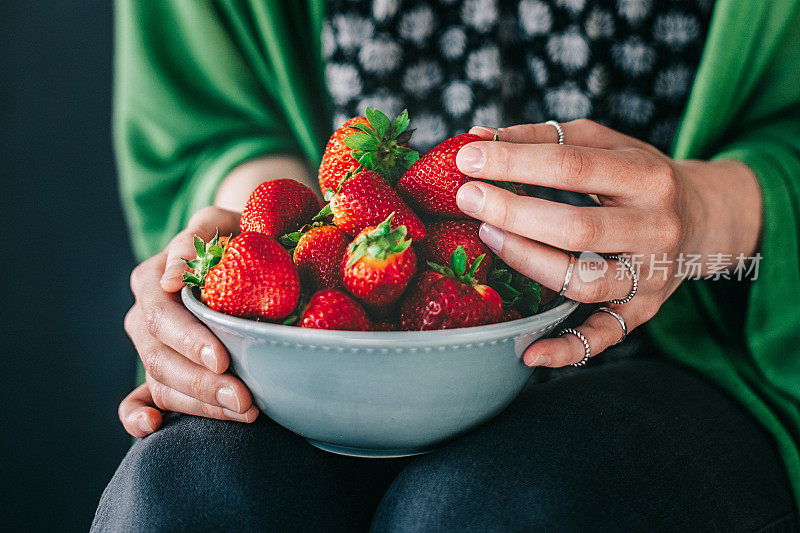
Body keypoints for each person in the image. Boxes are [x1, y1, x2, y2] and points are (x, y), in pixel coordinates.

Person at [94, 0, 800, 530]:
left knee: (492, 510)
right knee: (179, 494)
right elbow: (216, 105)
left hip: (671, 344)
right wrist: (256, 245)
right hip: (329, 348)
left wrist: (707, 211)